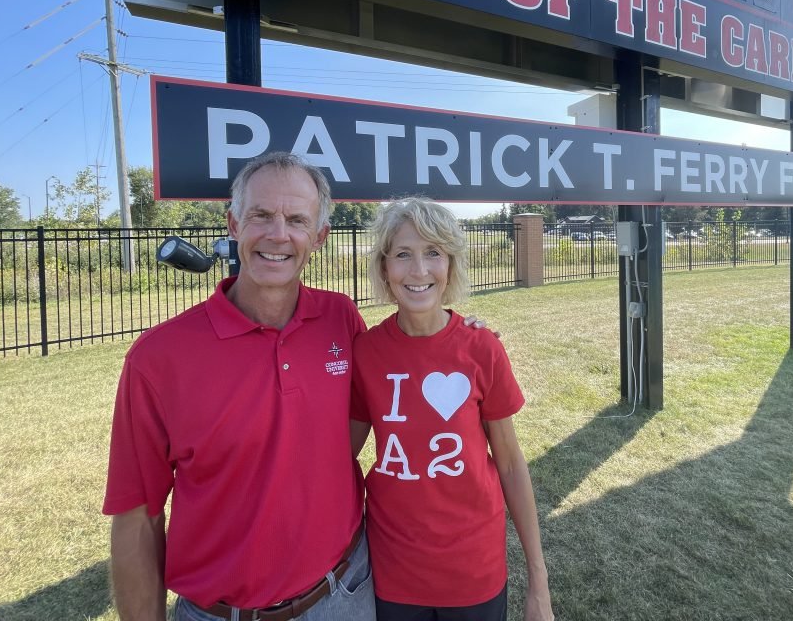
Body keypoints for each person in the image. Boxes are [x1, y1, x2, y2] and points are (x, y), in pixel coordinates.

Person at [103, 152, 374, 621]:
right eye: (261, 215)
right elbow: (136, 518)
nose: (278, 234)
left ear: (320, 237)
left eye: (296, 220)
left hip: (347, 591)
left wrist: (461, 333)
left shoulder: (341, 318)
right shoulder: (158, 358)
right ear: (232, 224)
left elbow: (385, 389)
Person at [350, 197, 554, 621]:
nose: (419, 270)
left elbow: (512, 466)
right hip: (393, 571)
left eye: (433, 254)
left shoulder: (482, 348)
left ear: (451, 266)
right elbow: (340, 458)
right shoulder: (367, 352)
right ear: (385, 270)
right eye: (403, 254)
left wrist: (538, 582)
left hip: (473, 571)